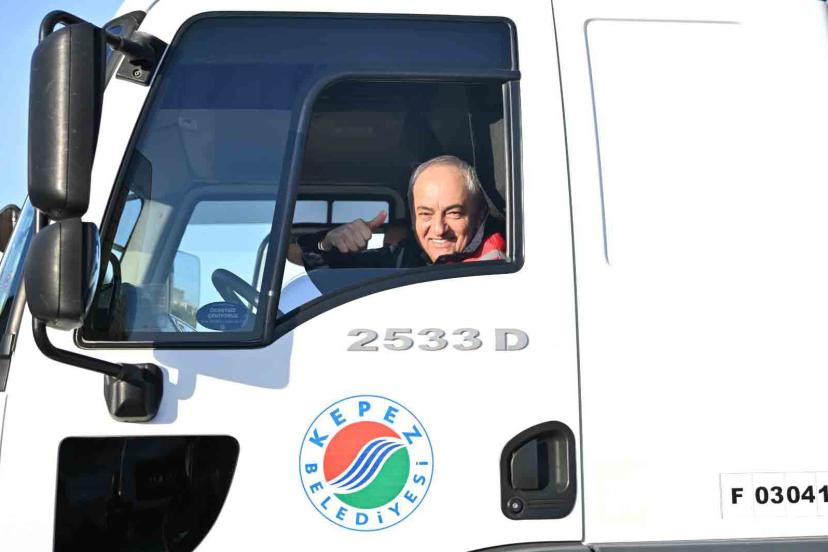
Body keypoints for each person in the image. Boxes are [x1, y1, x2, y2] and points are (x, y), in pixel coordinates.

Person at [297, 155, 506, 269]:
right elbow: (323, 276)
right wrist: (327, 244)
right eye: (425, 214)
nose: (439, 229)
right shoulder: (401, 260)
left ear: (480, 214)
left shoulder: (506, 262)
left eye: (454, 213)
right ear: (413, 218)